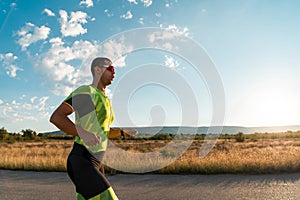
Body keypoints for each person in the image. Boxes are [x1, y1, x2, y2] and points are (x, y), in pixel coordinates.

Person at [50, 57, 134, 200]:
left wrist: (121, 133)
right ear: (98, 70)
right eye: (111, 69)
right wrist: (83, 133)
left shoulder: (105, 99)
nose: (114, 73)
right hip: (83, 159)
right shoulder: (87, 92)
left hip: (97, 161)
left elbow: (103, 132)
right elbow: (57, 117)